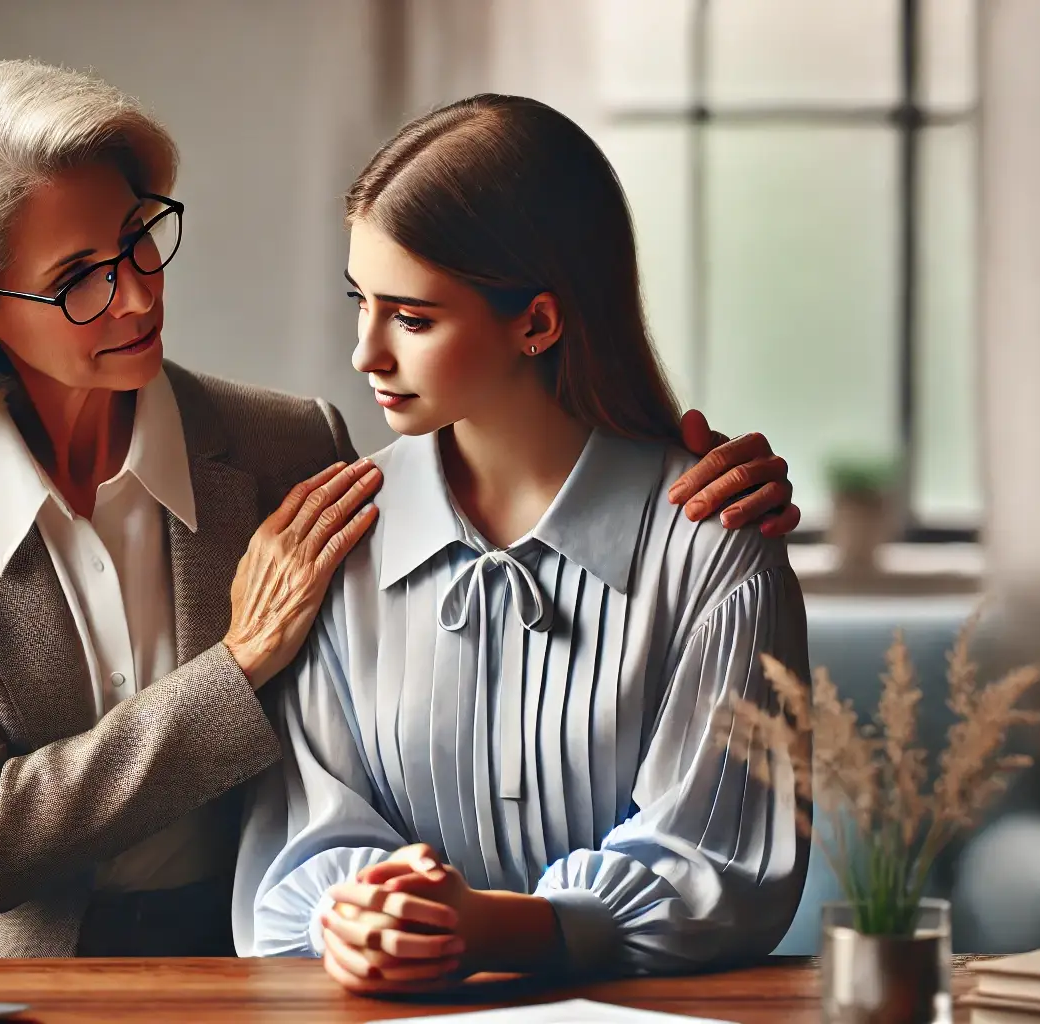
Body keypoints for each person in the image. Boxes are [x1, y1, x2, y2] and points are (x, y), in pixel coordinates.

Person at [0, 61, 800, 959]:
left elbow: (540, 443)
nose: (140, 298)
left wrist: (693, 483)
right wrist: (237, 666)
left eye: (138, 242)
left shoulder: (299, 457)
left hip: (222, 969)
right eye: (78, 281)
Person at [235, 93, 809, 989]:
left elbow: (722, 870)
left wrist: (500, 931)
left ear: (538, 323)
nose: (365, 354)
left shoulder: (716, 548)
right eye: (362, 303)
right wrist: (354, 918)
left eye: (413, 319)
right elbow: (305, 844)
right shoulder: (337, 539)